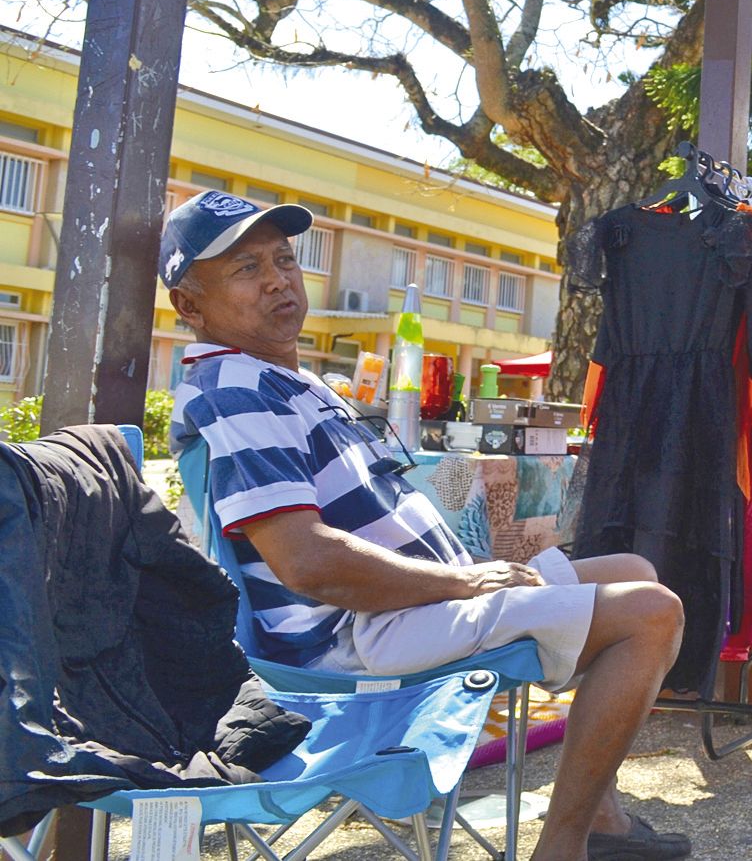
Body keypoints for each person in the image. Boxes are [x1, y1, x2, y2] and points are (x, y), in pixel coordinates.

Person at [159, 190, 691, 861]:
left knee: (631, 571)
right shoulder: (235, 390)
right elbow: (308, 563)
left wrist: (463, 582)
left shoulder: (284, 381)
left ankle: (602, 819)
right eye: (246, 268)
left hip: (405, 611)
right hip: (360, 638)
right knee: (650, 614)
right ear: (190, 304)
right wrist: (461, 583)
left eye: (284, 259)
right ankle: (564, 848)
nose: (277, 280)